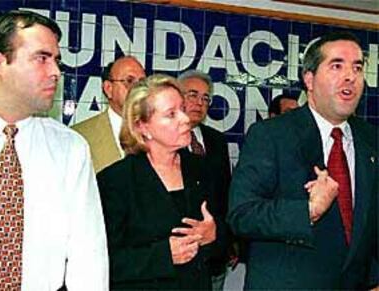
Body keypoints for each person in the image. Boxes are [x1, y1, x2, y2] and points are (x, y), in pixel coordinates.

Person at [0, 10, 109, 290]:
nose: (55, 72)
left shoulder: (70, 148)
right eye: (41, 58)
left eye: (56, 61)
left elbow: (88, 252)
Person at [227, 31, 378, 289]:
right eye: (337, 65)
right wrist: (307, 211)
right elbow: (242, 215)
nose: (350, 76)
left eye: (357, 67)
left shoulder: (371, 139)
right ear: (309, 79)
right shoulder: (272, 135)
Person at [97, 74, 227, 290]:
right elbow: (103, 261)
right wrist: (163, 256)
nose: (185, 119)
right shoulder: (115, 182)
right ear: (142, 127)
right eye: (171, 114)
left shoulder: (204, 170)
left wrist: (214, 235)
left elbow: (227, 237)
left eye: (183, 110)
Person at [178, 69, 233, 290]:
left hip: (214, 257)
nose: (200, 103)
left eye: (205, 98)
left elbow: (225, 195)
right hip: (180, 254)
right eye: (192, 94)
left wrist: (228, 242)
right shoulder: (165, 141)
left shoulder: (217, 141)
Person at [72, 55, 146, 172]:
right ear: (108, 89)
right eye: (129, 81)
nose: (137, 89)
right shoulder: (79, 137)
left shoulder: (157, 133)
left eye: (142, 83)